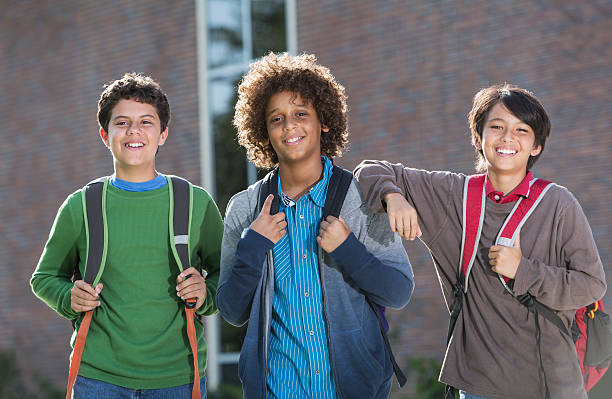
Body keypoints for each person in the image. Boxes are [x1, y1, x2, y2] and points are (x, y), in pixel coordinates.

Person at [354, 83, 606, 399]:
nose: (507, 138)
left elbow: (591, 284)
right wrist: (393, 197)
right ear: (478, 138)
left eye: (522, 130)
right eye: (496, 127)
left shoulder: (559, 204)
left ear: (536, 146)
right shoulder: (452, 195)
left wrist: (523, 270)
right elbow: (369, 169)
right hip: (479, 386)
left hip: (552, 384)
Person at [217, 52, 414, 399]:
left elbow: (398, 291)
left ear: (323, 121)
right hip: (277, 389)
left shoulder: (360, 199)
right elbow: (232, 311)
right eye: (276, 118)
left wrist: (348, 250)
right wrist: (253, 246)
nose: (289, 126)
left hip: (356, 389)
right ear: (264, 130)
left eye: (300, 114)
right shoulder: (245, 208)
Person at [30, 73, 222, 398]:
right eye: (122, 122)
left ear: (163, 134)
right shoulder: (81, 206)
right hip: (97, 377)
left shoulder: (195, 202)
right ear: (105, 135)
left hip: (178, 376)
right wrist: (69, 298)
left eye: (146, 122)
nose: (134, 131)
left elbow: (225, 275)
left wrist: (206, 293)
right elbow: (44, 278)